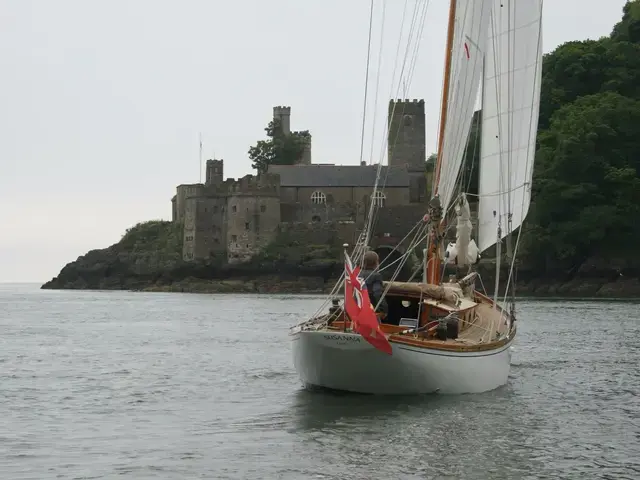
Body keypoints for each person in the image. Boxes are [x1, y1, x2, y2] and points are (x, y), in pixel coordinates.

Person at [360, 251, 388, 319]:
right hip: (371, 310)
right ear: (376, 263)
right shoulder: (376, 276)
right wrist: (383, 309)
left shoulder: (357, 274)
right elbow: (377, 293)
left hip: (358, 308)